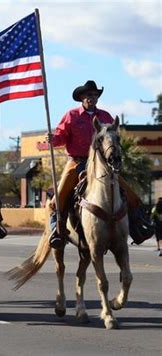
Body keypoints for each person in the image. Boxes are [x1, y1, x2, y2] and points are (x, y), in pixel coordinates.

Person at [46, 80, 153, 249]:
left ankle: (138, 225)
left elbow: (113, 138)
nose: (92, 98)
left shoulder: (106, 116)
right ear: (82, 98)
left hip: (101, 164)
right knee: (58, 197)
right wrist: (53, 139)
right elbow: (60, 136)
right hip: (77, 162)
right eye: (89, 95)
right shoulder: (71, 115)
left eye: (95, 95)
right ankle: (56, 229)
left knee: (128, 192)